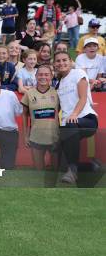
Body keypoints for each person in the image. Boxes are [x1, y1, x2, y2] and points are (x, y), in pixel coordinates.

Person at [53, 51, 99, 184]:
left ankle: (72, 173)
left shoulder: (78, 73)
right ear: (54, 64)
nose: (61, 63)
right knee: (60, 166)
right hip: (68, 124)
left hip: (87, 119)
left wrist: (74, 114)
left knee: (69, 125)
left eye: (64, 60)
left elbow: (83, 97)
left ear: (70, 61)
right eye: (58, 61)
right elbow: (60, 109)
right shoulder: (59, 84)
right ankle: (91, 166)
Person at [21, 64, 59, 170]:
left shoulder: (57, 92)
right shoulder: (29, 93)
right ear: (36, 76)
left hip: (54, 137)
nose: (43, 77)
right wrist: (25, 136)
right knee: (39, 171)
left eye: (46, 74)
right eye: (40, 74)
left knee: (56, 169)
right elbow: (24, 115)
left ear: (51, 76)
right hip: (36, 137)